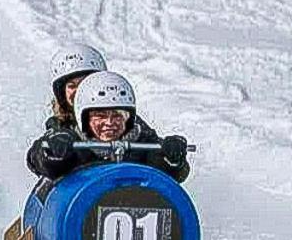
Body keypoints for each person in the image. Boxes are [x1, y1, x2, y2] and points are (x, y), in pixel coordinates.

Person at [27, 71, 189, 182]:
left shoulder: (143, 142)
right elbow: (36, 160)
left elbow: (167, 172)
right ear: (84, 117)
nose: (110, 123)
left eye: (118, 116)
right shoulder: (73, 142)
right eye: (100, 116)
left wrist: (171, 158)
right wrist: (52, 152)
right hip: (78, 217)